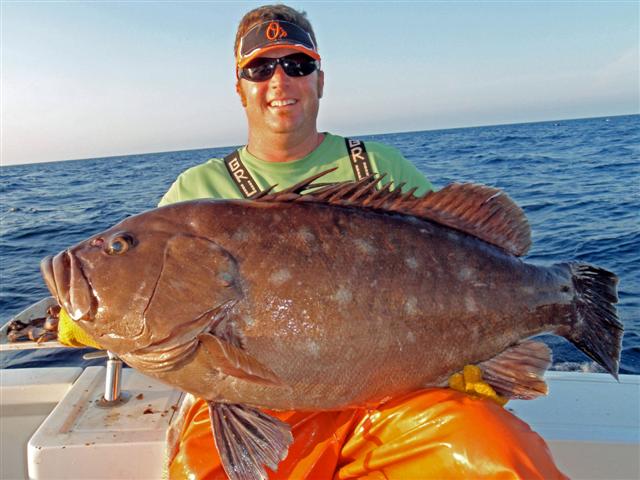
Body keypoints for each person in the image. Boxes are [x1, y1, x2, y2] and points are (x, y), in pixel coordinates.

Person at [59, 4, 567, 479]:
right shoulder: (194, 193)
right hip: (252, 405)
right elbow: (148, 314)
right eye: (260, 69)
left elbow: (469, 251)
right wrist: (77, 315)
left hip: (400, 396)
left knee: (497, 455)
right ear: (239, 87)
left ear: (319, 80)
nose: (280, 80)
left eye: (298, 64)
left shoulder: (380, 169)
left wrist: (475, 356)